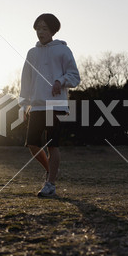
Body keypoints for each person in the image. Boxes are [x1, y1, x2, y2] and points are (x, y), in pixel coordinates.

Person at [19, 13, 80, 197]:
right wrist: (24, 104)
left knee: (53, 146)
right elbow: (26, 80)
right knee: (32, 144)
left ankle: (50, 184)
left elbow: (75, 77)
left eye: (44, 28)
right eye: (38, 28)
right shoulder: (32, 52)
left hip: (57, 105)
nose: (40, 32)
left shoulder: (63, 50)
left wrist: (60, 81)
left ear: (52, 30)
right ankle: (50, 171)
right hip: (36, 106)